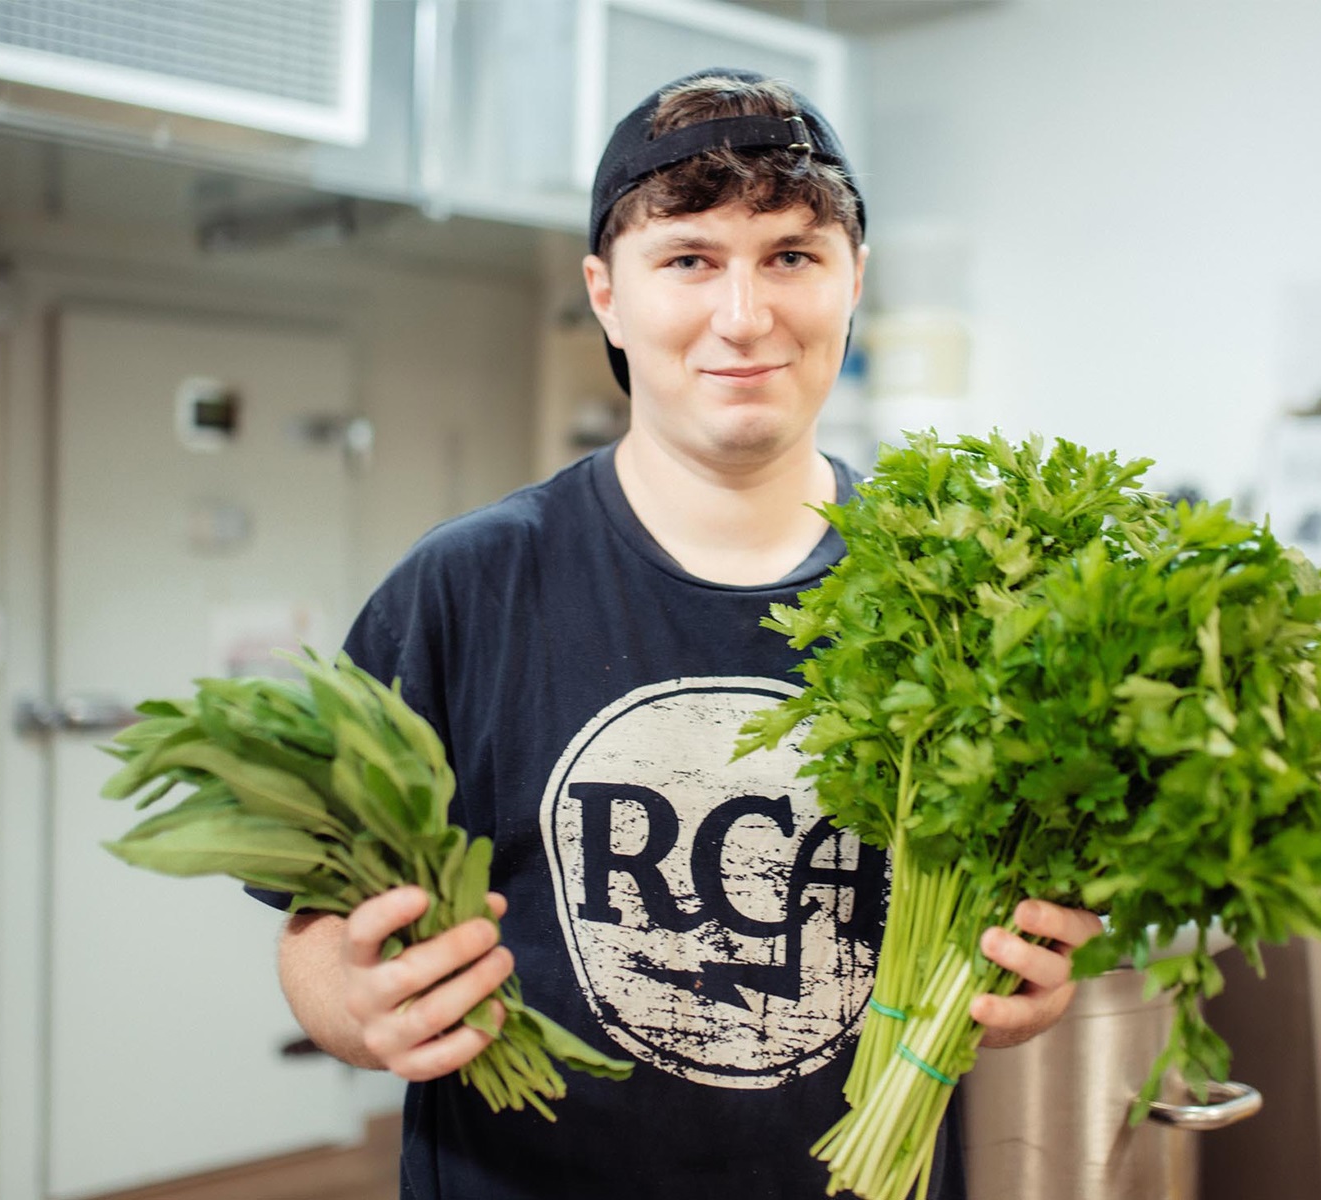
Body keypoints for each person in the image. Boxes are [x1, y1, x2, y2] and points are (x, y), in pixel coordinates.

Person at [270, 67, 1103, 1200]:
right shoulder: (466, 587)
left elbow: (1020, 931)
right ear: (606, 292)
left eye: (793, 256)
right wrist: (358, 1012)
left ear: (855, 279)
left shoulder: (962, 598)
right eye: (690, 259)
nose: (745, 315)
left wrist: (1028, 987)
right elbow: (319, 920)